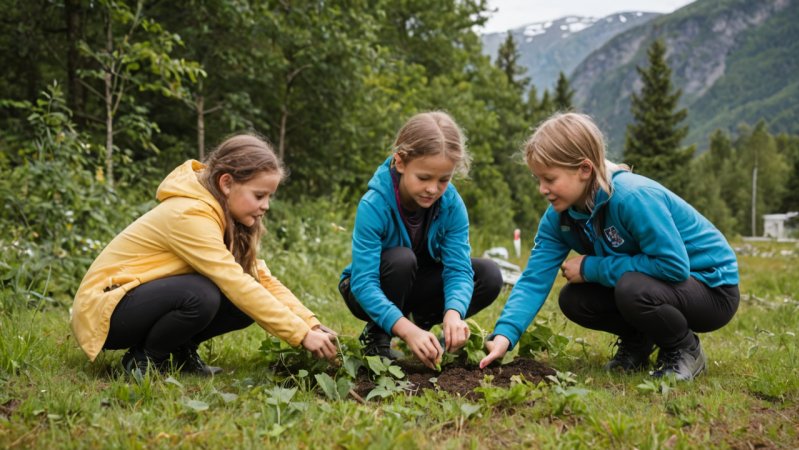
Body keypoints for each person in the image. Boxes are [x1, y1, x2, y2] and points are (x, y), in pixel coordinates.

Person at [479, 112, 740, 381]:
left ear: (584, 169)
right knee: (575, 299)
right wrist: (505, 334)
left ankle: (685, 349)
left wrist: (592, 267)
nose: (542, 189)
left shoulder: (632, 197)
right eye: (539, 179)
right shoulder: (558, 217)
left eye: (550, 179)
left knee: (632, 289)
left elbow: (673, 267)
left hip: (711, 289)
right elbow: (534, 279)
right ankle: (638, 342)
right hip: (660, 286)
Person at [71, 134, 338, 376]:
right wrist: (299, 335)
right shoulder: (189, 214)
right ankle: (145, 359)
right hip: (107, 311)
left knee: (245, 299)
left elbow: (260, 280)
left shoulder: (224, 215)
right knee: (201, 293)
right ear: (226, 183)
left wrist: (310, 324)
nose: (265, 206)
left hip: (139, 302)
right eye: (259, 195)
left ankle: (178, 353)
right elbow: (234, 280)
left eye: (269, 197)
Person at [339, 111, 503, 370]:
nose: (433, 189)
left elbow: (459, 269)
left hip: (418, 285)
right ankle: (378, 338)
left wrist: (454, 313)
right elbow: (363, 283)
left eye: (443, 180)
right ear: (401, 162)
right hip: (366, 288)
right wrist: (405, 329)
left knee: (489, 274)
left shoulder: (452, 205)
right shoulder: (374, 204)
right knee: (401, 259)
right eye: (424, 178)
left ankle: (429, 335)